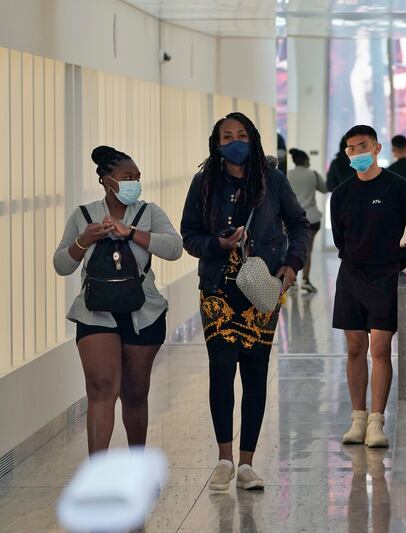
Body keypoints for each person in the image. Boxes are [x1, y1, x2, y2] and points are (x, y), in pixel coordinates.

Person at [180, 112, 310, 491]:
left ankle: (247, 464)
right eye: (226, 136)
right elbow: (189, 235)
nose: (234, 141)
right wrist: (217, 245)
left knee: (255, 373)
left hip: (261, 286)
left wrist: (291, 265)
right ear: (216, 143)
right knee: (221, 368)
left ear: (252, 139)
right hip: (218, 289)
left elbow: (299, 224)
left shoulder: (273, 181)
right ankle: (224, 458)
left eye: (241, 134)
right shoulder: (204, 183)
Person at [53, 145, 182, 455]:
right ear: (106, 180)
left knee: (135, 393)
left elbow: (174, 248)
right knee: (100, 389)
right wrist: (84, 240)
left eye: (137, 177)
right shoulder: (83, 215)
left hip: (143, 312)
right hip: (95, 313)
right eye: (127, 177)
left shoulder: (149, 212)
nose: (134, 183)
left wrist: (131, 232)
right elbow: (61, 264)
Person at [331, 125, 406, 448]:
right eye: (351, 148)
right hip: (351, 276)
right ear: (347, 153)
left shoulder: (398, 187)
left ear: (377, 147)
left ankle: (377, 422)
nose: (357, 153)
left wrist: (396, 262)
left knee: (380, 347)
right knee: (354, 348)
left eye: (363, 146)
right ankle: (357, 417)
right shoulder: (341, 194)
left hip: (385, 276)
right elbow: (340, 238)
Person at [288, 148, 327, 293]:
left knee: (291, 249)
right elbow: (324, 189)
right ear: (305, 160)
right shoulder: (313, 174)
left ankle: (291, 282)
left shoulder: (287, 175)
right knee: (307, 250)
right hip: (311, 219)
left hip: (291, 220)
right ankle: (305, 281)